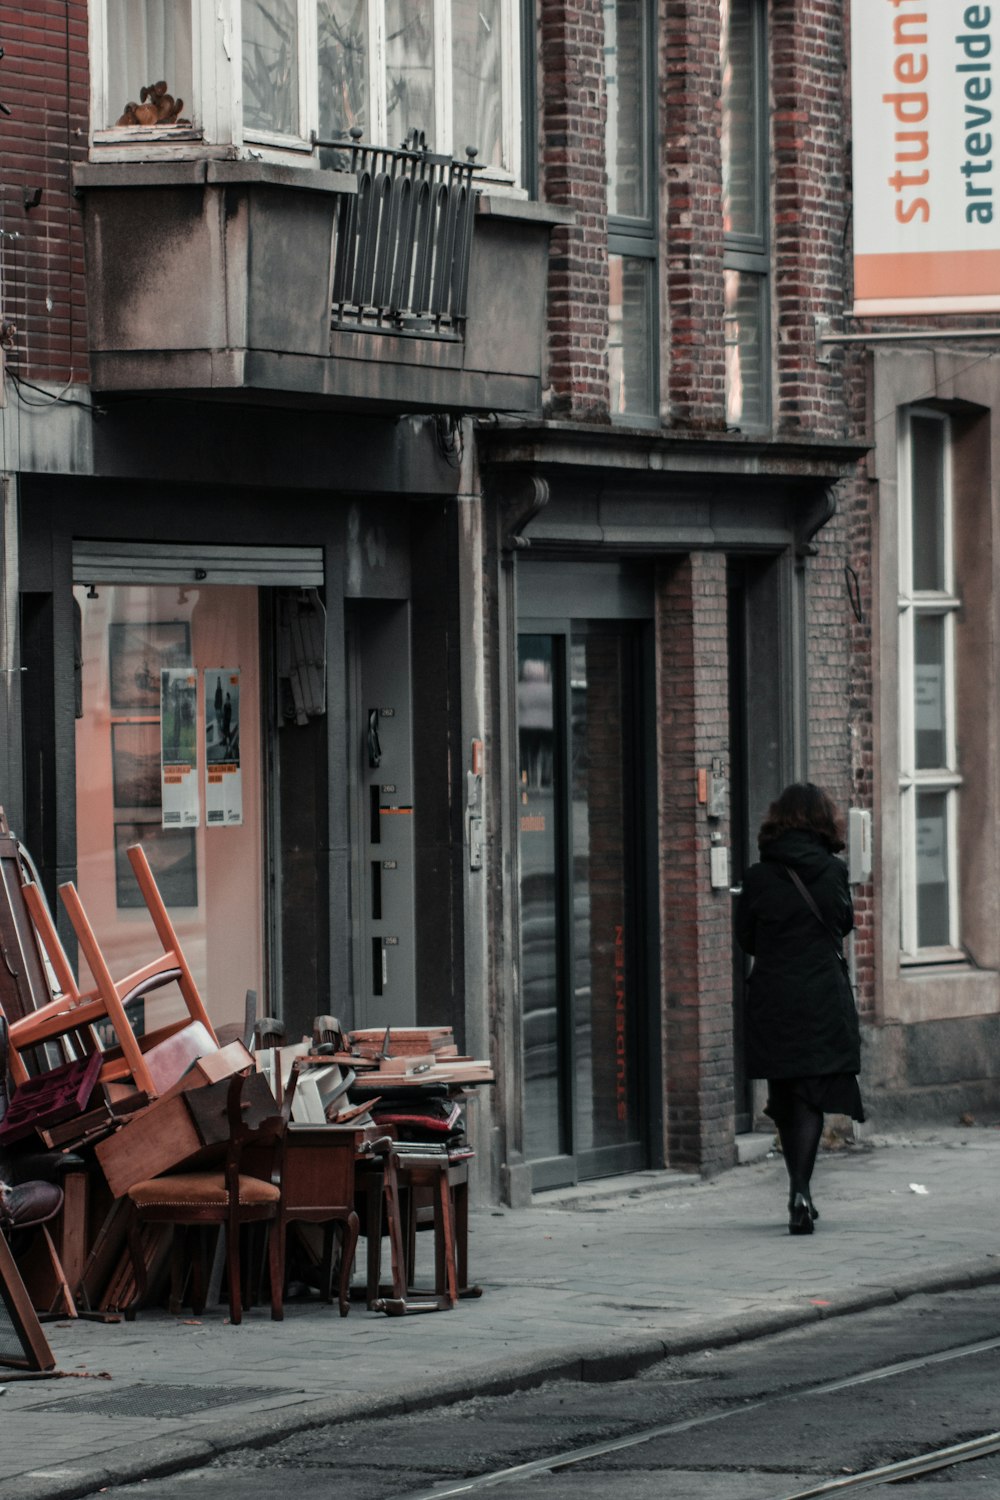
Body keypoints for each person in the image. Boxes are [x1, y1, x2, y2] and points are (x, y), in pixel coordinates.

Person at [735, 782, 864, 1236]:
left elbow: (747, 939)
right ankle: (801, 1191)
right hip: (822, 997)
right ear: (823, 822)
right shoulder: (833, 871)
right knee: (810, 1092)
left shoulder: (757, 876)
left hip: (774, 995)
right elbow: (843, 924)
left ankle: (797, 1188)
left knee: (785, 1092)